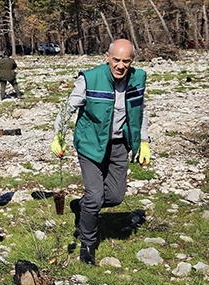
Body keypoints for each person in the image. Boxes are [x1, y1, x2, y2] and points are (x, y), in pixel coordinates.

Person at [51, 39, 150, 266]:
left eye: (126, 61)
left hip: (118, 145)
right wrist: (58, 135)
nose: (120, 65)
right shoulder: (89, 79)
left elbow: (141, 110)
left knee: (115, 197)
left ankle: (80, 206)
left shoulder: (138, 79)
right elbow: (68, 107)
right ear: (107, 57)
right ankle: (88, 244)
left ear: (132, 61)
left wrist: (143, 141)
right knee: (95, 197)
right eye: (116, 60)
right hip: (90, 143)